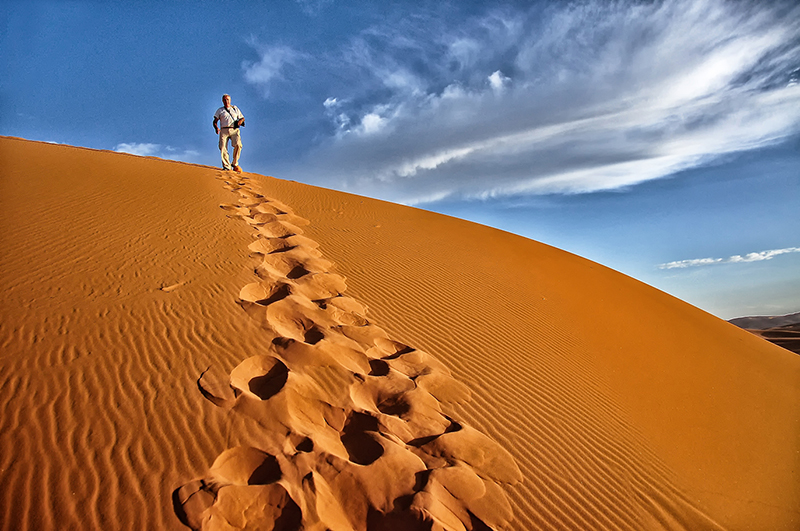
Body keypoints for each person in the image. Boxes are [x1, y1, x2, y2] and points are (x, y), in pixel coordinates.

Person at [213, 94, 245, 172]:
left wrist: (240, 122)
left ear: (230, 100)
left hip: (234, 130)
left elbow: (242, 118)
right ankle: (227, 166)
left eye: (227, 99)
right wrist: (216, 128)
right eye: (224, 100)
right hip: (223, 130)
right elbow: (215, 121)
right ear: (222, 101)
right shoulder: (220, 110)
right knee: (222, 147)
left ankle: (235, 163)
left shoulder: (235, 108)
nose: (226, 101)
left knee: (238, 145)